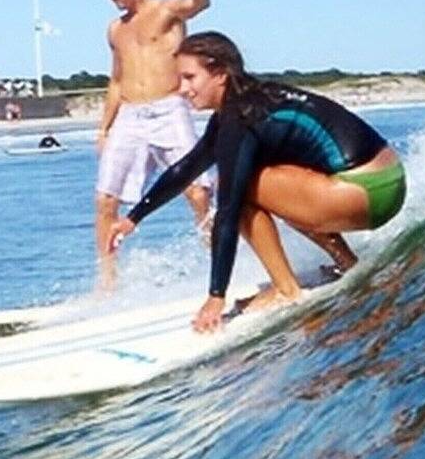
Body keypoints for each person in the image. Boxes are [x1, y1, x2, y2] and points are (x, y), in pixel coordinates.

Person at [106, 31, 407, 333]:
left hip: (364, 191)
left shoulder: (240, 119)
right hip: (387, 179)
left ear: (220, 74)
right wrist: (134, 217)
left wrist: (216, 297)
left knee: (241, 186)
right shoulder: (248, 102)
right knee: (267, 173)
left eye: (190, 78)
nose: (182, 89)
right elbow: (187, 167)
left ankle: (286, 290)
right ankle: (346, 263)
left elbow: (228, 212)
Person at [95, 0, 214, 293]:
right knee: (105, 200)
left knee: (197, 190)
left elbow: (199, 4)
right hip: (130, 116)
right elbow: (116, 81)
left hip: (169, 109)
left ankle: (216, 259)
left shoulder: (166, 9)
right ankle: (107, 282)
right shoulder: (116, 29)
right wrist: (104, 128)